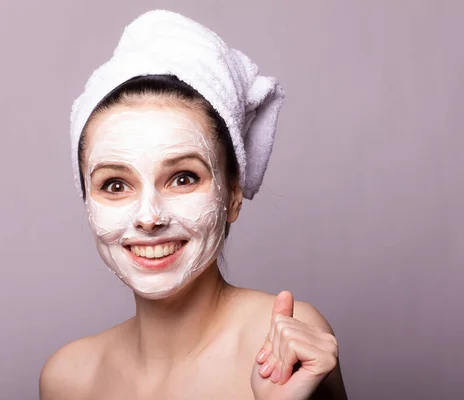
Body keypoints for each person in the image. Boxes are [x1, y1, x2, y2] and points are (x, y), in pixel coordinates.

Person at [40, 10, 347, 399]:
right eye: (116, 184)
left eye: (183, 178)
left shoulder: (285, 343)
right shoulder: (68, 378)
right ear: (87, 201)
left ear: (233, 193)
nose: (149, 217)